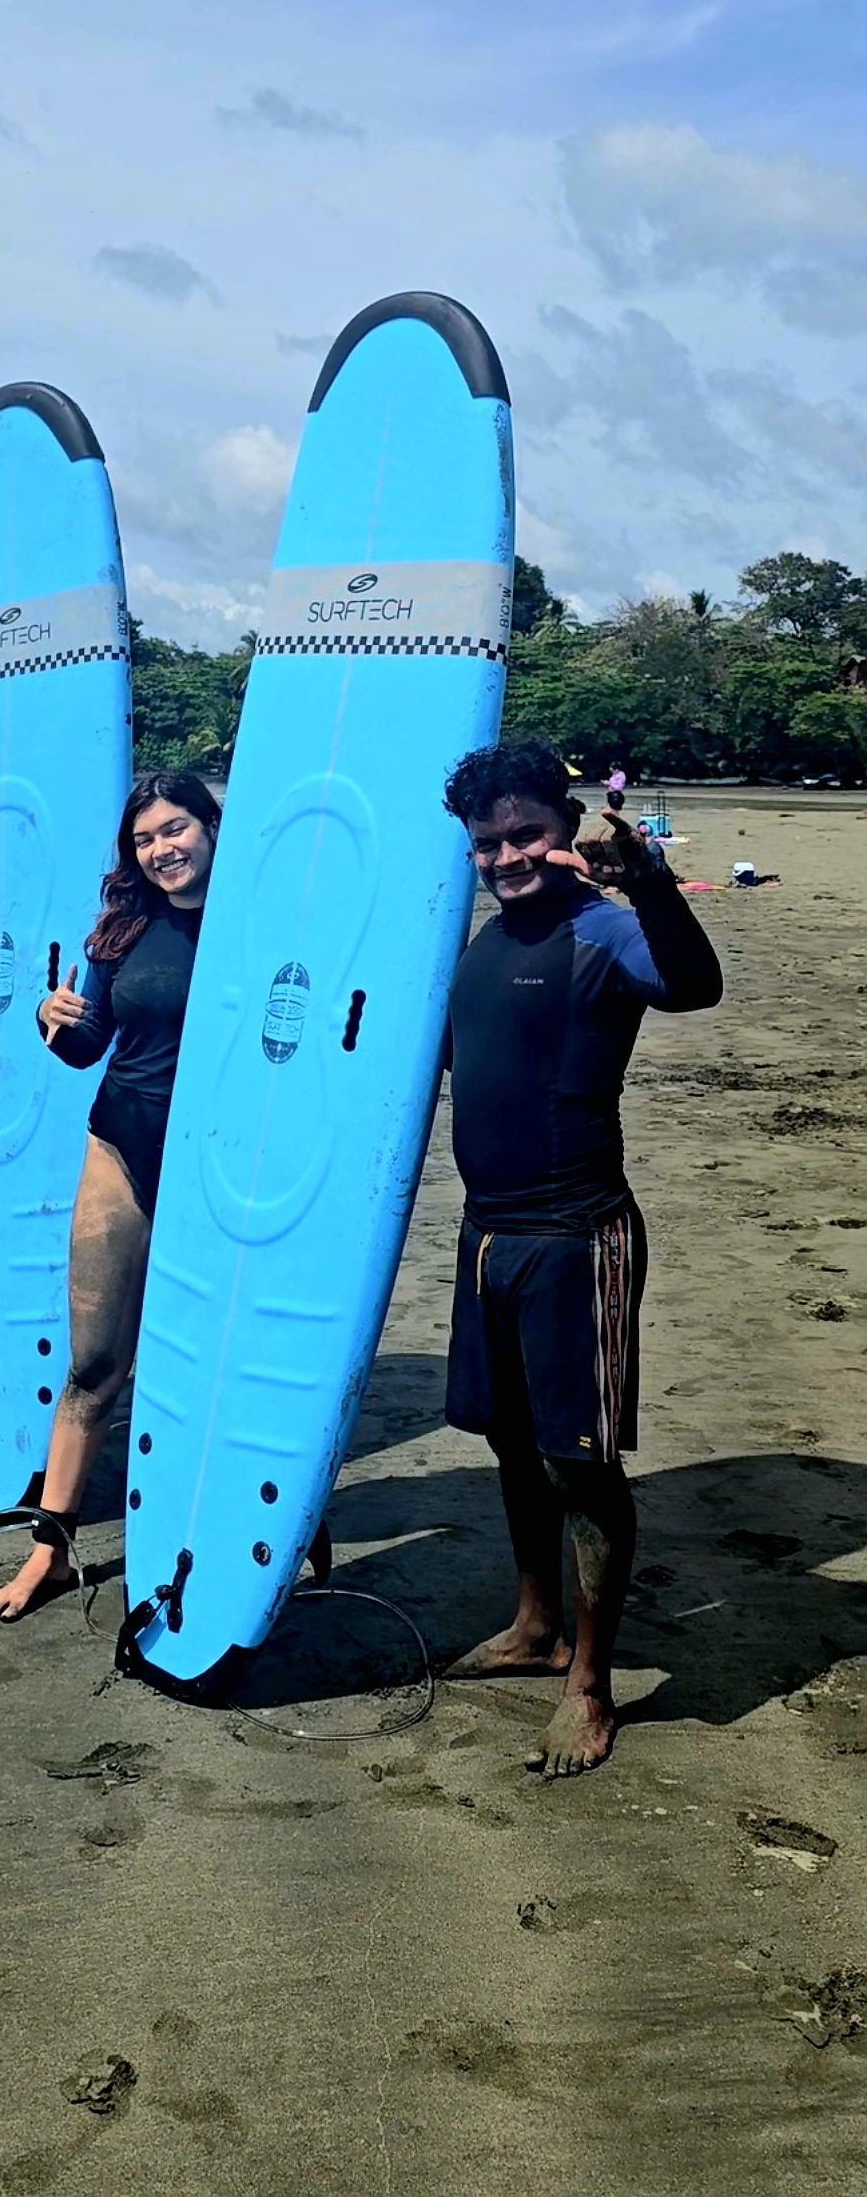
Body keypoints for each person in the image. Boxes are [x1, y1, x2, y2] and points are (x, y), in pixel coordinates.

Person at [440, 737, 723, 1776]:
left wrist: (644, 877)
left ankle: (590, 1681)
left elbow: (694, 985)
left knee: (580, 1460)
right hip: (488, 1233)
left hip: (577, 1234)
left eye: (526, 835)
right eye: (488, 841)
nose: (507, 854)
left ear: (563, 837)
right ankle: (533, 1622)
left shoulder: (604, 930)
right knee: (511, 1442)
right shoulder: (474, 945)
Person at [0, 772, 220, 1621]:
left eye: (175, 828)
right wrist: (54, 1021)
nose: (162, 849)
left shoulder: (256, 923)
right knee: (92, 1365)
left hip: (222, 1169)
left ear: (211, 825)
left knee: (208, 1364)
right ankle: (48, 1549)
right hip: (119, 1147)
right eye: (146, 839)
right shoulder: (122, 931)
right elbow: (88, 1047)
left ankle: (223, 1533)